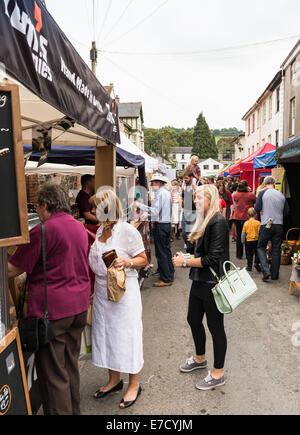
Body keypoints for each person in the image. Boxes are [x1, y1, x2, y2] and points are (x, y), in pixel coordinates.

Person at [8, 184, 91, 415]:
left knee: (54, 375)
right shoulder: (78, 227)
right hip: (78, 306)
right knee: (69, 366)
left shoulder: (43, 231)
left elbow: (12, 270)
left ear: (44, 205)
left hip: (52, 312)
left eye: (38, 207)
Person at [89, 189, 147, 409]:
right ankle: (114, 380)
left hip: (124, 294)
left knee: (128, 336)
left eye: (96, 207)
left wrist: (128, 262)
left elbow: (143, 258)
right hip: (103, 293)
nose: (92, 210)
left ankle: (134, 383)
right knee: (107, 336)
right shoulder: (100, 230)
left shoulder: (127, 231)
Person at [173, 184, 229, 390]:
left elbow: (213, 259)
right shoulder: (205, 220)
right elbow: (201, 254)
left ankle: (218, 373)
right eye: (194, 198)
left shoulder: (218, 221)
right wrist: (186, 257)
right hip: (200, 280)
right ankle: (200, 358)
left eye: (198, 198)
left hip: (213, 284)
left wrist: (186, 262)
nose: (195, 201)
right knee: (193, 319)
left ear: (210, 199)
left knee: (216, 327)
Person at [136, 173, 174, 287]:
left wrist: (140, 206)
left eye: (152, 182)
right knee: (166, 251)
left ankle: (166, 278)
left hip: (161, 225)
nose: (151, 184)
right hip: (166, 224)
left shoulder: (160, 194)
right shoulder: (166, 193)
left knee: (161, 252)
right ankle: (169, 273)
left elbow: (155, 211)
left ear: (158, 183)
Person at [255, 176, 290, 282]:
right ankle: (274, 274)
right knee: (276, 249)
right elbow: (287, 211)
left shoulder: (261, 193)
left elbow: (257, 208)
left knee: (261, 246)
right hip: (279, 224)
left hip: (266, 223)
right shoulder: (281, 194)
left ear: (265, 184)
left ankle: (266, 271)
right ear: (274, 183)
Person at [232, 182, 256, 259]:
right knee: (248, 235)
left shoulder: (236, 195)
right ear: (247, 186)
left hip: (238, 217)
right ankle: (249, 253)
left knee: (239, 236)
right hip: (247, 216)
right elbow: (255, 200)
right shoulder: (250, 194)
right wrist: (249, 191)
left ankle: (239, 254)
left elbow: (235, 200)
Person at [181, 170, 197, 252]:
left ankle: (192, 249)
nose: (185, 180)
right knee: (184, 233)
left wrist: (196, 190)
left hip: (194, 211)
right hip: (186, 210)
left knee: (191, 231)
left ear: (191, 177)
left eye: (186, 178)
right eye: (184, 179)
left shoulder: (196, 186)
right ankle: (189, 246)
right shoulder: (185, 186)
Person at [241, 208, 261, 272]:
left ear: (247, 215)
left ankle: (249, 266)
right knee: (257, 252)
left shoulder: (246, 223)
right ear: (255, 215)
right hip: (256, 240)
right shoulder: (258, 223)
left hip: (248, 241)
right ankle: (256, 263)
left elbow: (243, 233)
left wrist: (242, 241)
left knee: (249, 254)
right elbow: (259, 232)